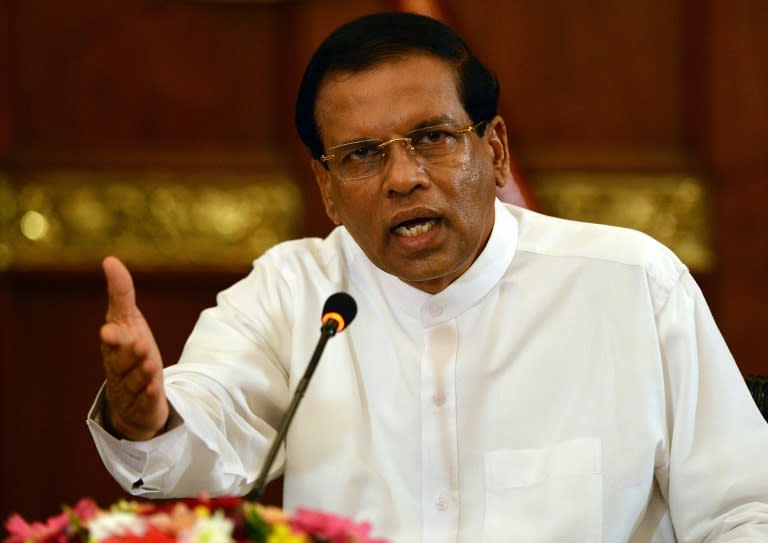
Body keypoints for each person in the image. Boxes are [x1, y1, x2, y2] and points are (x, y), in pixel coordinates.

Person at [88, 12, 768, 543]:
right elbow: (200, 433)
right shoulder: (296, 293)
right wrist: (145, 416)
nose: (404, 177)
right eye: (361, 155)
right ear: (326, 188)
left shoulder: (630, 284)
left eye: (433, 138)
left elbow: (745, 510)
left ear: (494, 149)